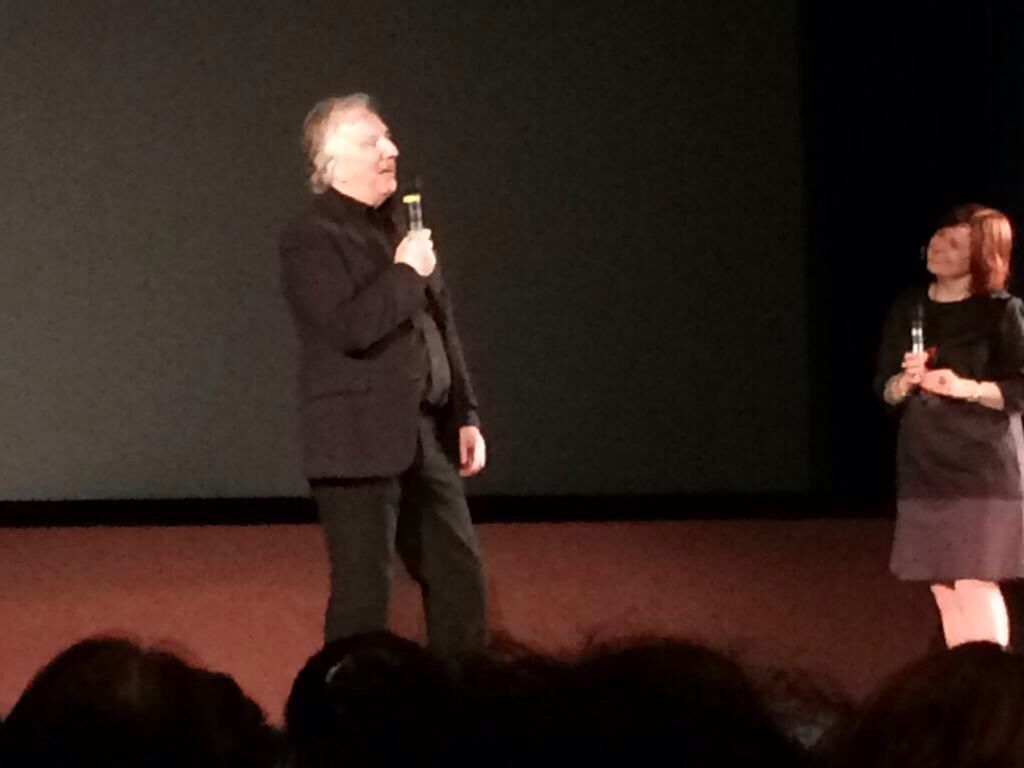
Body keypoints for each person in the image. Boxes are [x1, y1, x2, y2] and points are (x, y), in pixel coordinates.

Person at [280, 93, 487, 654]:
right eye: (372, 141)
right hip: (355, 441)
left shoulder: (400, 229)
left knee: (460, 581)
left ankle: (460, 696)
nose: (391, 150)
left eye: (389, 138)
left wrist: (465, 413)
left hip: (424, 435)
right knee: (363, 599)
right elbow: (348, 327)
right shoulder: (311, 236)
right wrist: (405, 272)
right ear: (330, 162)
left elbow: (440, 327)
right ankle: (347, 701)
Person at [875, 204, 1024, 648]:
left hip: (980, 462)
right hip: (925, 459)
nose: (939, 246)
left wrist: (966, 388)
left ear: (981, 258)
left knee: (975, 578)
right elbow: (884, 387)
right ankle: (962, 673)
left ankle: (988, 677)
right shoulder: (911, 305)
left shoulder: (1002, 311)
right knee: (942, 583)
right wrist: (904, 381)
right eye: (939, 236)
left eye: (955, 243)